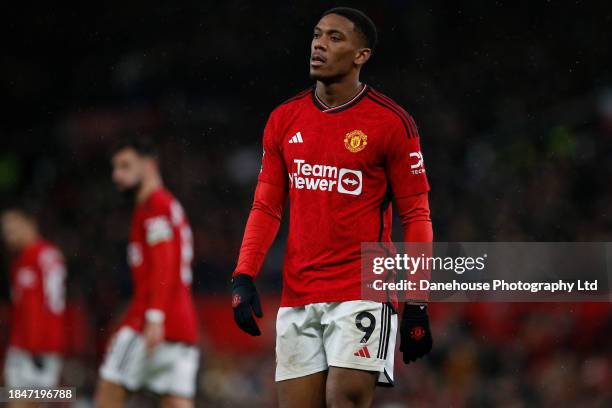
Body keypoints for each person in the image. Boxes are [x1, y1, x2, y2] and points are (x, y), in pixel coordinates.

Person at [231, 7, 434, 408]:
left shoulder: (391, 123)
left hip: (362, 287)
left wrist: (417, 301)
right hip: (298, 292)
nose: (320, 44)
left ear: (362, 55)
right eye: (317, 35)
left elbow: (417, 216)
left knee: (345, 399)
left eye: (335, 38)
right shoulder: (283, 120)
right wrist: (243, 274)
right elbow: (266, 207)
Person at [95, 138, 199, 408]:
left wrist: (154, 315)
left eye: (125, 166)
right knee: (176, 400)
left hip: (152, 321)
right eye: (115, 168)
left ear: (150, 165)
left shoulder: (155, 205)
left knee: (109, 390)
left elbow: (165, 263)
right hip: (182, 324)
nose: (117, 175)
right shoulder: (166, 205)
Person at [1, 208, 66, 408]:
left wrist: (38, 348)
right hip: (20, 348)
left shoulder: (45, 256)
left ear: (29, 224)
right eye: (5, 231)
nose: (8, 236)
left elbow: (52, 305)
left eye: (12, 229)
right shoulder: (19, 260)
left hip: (39, 351)